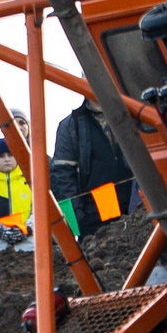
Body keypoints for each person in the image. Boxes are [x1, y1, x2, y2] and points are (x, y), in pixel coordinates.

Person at [51, 98, 134, 239]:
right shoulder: (71, 125)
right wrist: (78, 220)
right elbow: (63, 176)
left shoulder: (132, 114)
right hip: (95, 219)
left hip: (137, 209)